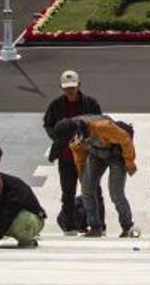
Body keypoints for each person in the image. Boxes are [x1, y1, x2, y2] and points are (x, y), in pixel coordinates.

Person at [51, 114, 138, 238]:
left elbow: (125, 139)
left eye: (71, 139)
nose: (72, 142)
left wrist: (129, 161)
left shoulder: (102, 126)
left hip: (116, 154)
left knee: (116, 193)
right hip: (96, 154)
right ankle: (95, 228)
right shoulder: (73, 138)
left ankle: (127, 227)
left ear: (77, 131)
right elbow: (79, 156)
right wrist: (82, 175)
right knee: (86, 190)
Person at [42, 69, 104, 234]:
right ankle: (69, 227)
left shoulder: (91, 103)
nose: (70, 90)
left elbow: (101, 124)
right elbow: (48, 124)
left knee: (93, 190)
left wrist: (89, 141)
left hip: (88, 156)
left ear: (79, 85)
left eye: (73, 87)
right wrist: (57, 138)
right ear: (61, 88)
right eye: (66, 87)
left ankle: (99, 225)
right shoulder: (56, 105)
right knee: (67, 192)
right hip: (66, 157)